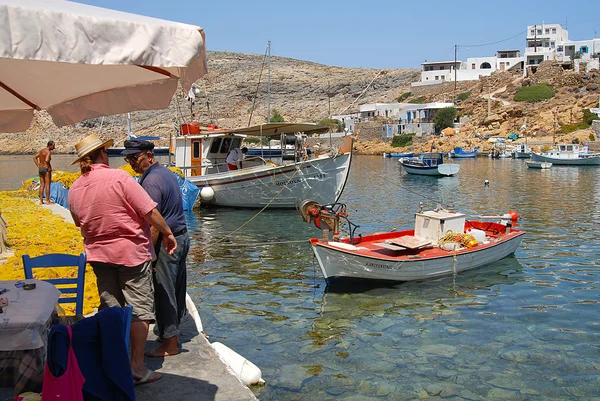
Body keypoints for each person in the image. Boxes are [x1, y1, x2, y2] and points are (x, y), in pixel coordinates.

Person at [68, 134, 177, 386]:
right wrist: (168, 233)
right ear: (103, 154)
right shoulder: (119, 178)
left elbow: (78, 222)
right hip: (130, 255)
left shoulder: (75, 187)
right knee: (138, 310)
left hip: (98, 256)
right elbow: (149, 211)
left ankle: (113, 362)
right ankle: (136, 367)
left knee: (111, 309)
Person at [123, 139, 190, 358]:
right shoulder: (166, 173)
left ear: (148, 156)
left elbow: (153, 222)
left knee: (163, 291)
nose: (132, 163)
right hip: (181, 236)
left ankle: (170, 343)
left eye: (135, 158)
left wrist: (148, 253)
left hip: (166, 242)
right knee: (177, 288)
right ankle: (171, 333)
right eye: (129, 159)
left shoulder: (150, 182)